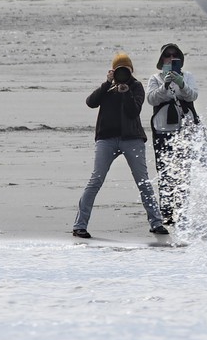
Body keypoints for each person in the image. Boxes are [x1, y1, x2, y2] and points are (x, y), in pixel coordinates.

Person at [72, 52, 169, 238]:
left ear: (131, 71)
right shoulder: (107, 87)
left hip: (132, 138)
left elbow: (134, 112)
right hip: (106, 139)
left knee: (143, 182)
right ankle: (79, 225)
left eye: (126, 70)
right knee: (96, 180)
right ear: (113, 71)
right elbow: (90, 102)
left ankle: (156, 223)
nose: (123, 74)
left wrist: (126, 93)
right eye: (119, 70)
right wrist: (108, 84)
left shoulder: (137, 87)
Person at [145, 43, 200, 225]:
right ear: (162, 60)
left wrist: (181, 84)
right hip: (162, 129)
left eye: (174, 55)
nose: (171, 58)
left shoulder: (188, 77)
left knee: (184, 170)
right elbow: (151, 98)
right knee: (164, 170)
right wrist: (165, 85)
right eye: (167, 55)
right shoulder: (155, 78)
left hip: (185, 128)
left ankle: (182, 211)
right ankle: (167, 213)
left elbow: (192, 96)